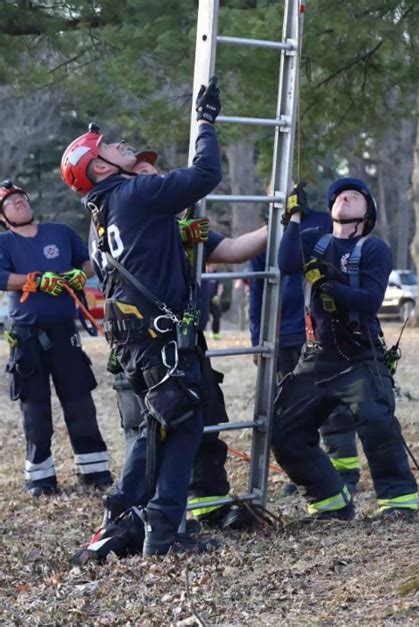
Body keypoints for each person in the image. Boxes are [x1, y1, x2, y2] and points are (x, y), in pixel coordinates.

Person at [60, 78, 224, 556]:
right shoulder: (135, 196)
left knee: (157, 428)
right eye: (109, 145)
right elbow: (204, 173)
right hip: (157, 342)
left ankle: (125, 515)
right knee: (184, 425)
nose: (120, 144)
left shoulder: (100, 219)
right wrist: (205, 122)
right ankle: (164, 533)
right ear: (98, 165)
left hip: (137, 342)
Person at [100, 149, 268, 531]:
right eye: (141, 172)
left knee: (203, 418)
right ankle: (136, 518)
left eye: (153, 170)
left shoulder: (174, 220)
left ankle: (205, 507)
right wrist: (175, 233)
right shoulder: (120, 212)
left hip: (183, 340)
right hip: (144, 344)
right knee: (154, 429)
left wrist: (284, 223)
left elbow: (234, 249)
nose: (152, 176)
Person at [273, 178, 419, 521]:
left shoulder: (373, 249)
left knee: (377, 424)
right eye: (339, 195)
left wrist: (327, 283)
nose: (345, 196)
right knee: (284, 431)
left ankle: (399, 502)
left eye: (355, 195)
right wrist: (293, 217)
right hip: (317, 359)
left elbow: (369, 301)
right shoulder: (312, 240)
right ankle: (331, 501)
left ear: (367, 214)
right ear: (330, 210)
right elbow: (286, 264)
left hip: (359, 356)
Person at [0, 179, 112, 497]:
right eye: (10, 202)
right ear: (2, 216)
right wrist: (33, 281)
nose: (19, 202)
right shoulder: (4, 243)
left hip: (65, 333)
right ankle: (41, 476)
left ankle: (94, 469)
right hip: (27, 338)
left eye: (21, 197)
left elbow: (88, 262)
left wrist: (82, 273)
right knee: (35, 408)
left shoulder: (60, 233)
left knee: (80, 402)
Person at [249, 190, 361, 493]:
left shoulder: (325, 225)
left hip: (319, 331)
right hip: (282, 334)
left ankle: (344, 471)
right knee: (293, 409)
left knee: (332, 404)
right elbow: (258, 287)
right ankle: (306, 473)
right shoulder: (268, 232)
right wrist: (257, 334)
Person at [206, 263, 224, 339]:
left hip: (214, 300)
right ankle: (202, 333)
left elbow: (220, 286)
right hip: (204, 300)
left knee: (216, 317)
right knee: (202, 316)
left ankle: (215, 333)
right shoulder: (202, 273)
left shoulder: (216, 274)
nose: (213, 266)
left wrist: (218, 296)